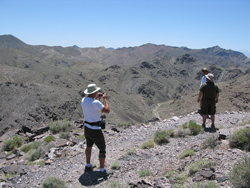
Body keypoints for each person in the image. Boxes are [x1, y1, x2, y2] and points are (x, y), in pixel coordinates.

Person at [81, 83, 111, 176]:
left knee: (89, 146)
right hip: (95, 129)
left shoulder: (83, 100)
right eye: (96, 91)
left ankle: (88, 165)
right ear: (94, 92)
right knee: (102, 148)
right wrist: (105, 99)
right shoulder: (96, 103)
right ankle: (102, 171)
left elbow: (90, 104)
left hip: (87, 128)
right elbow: (107, 110)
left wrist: (95, 97)